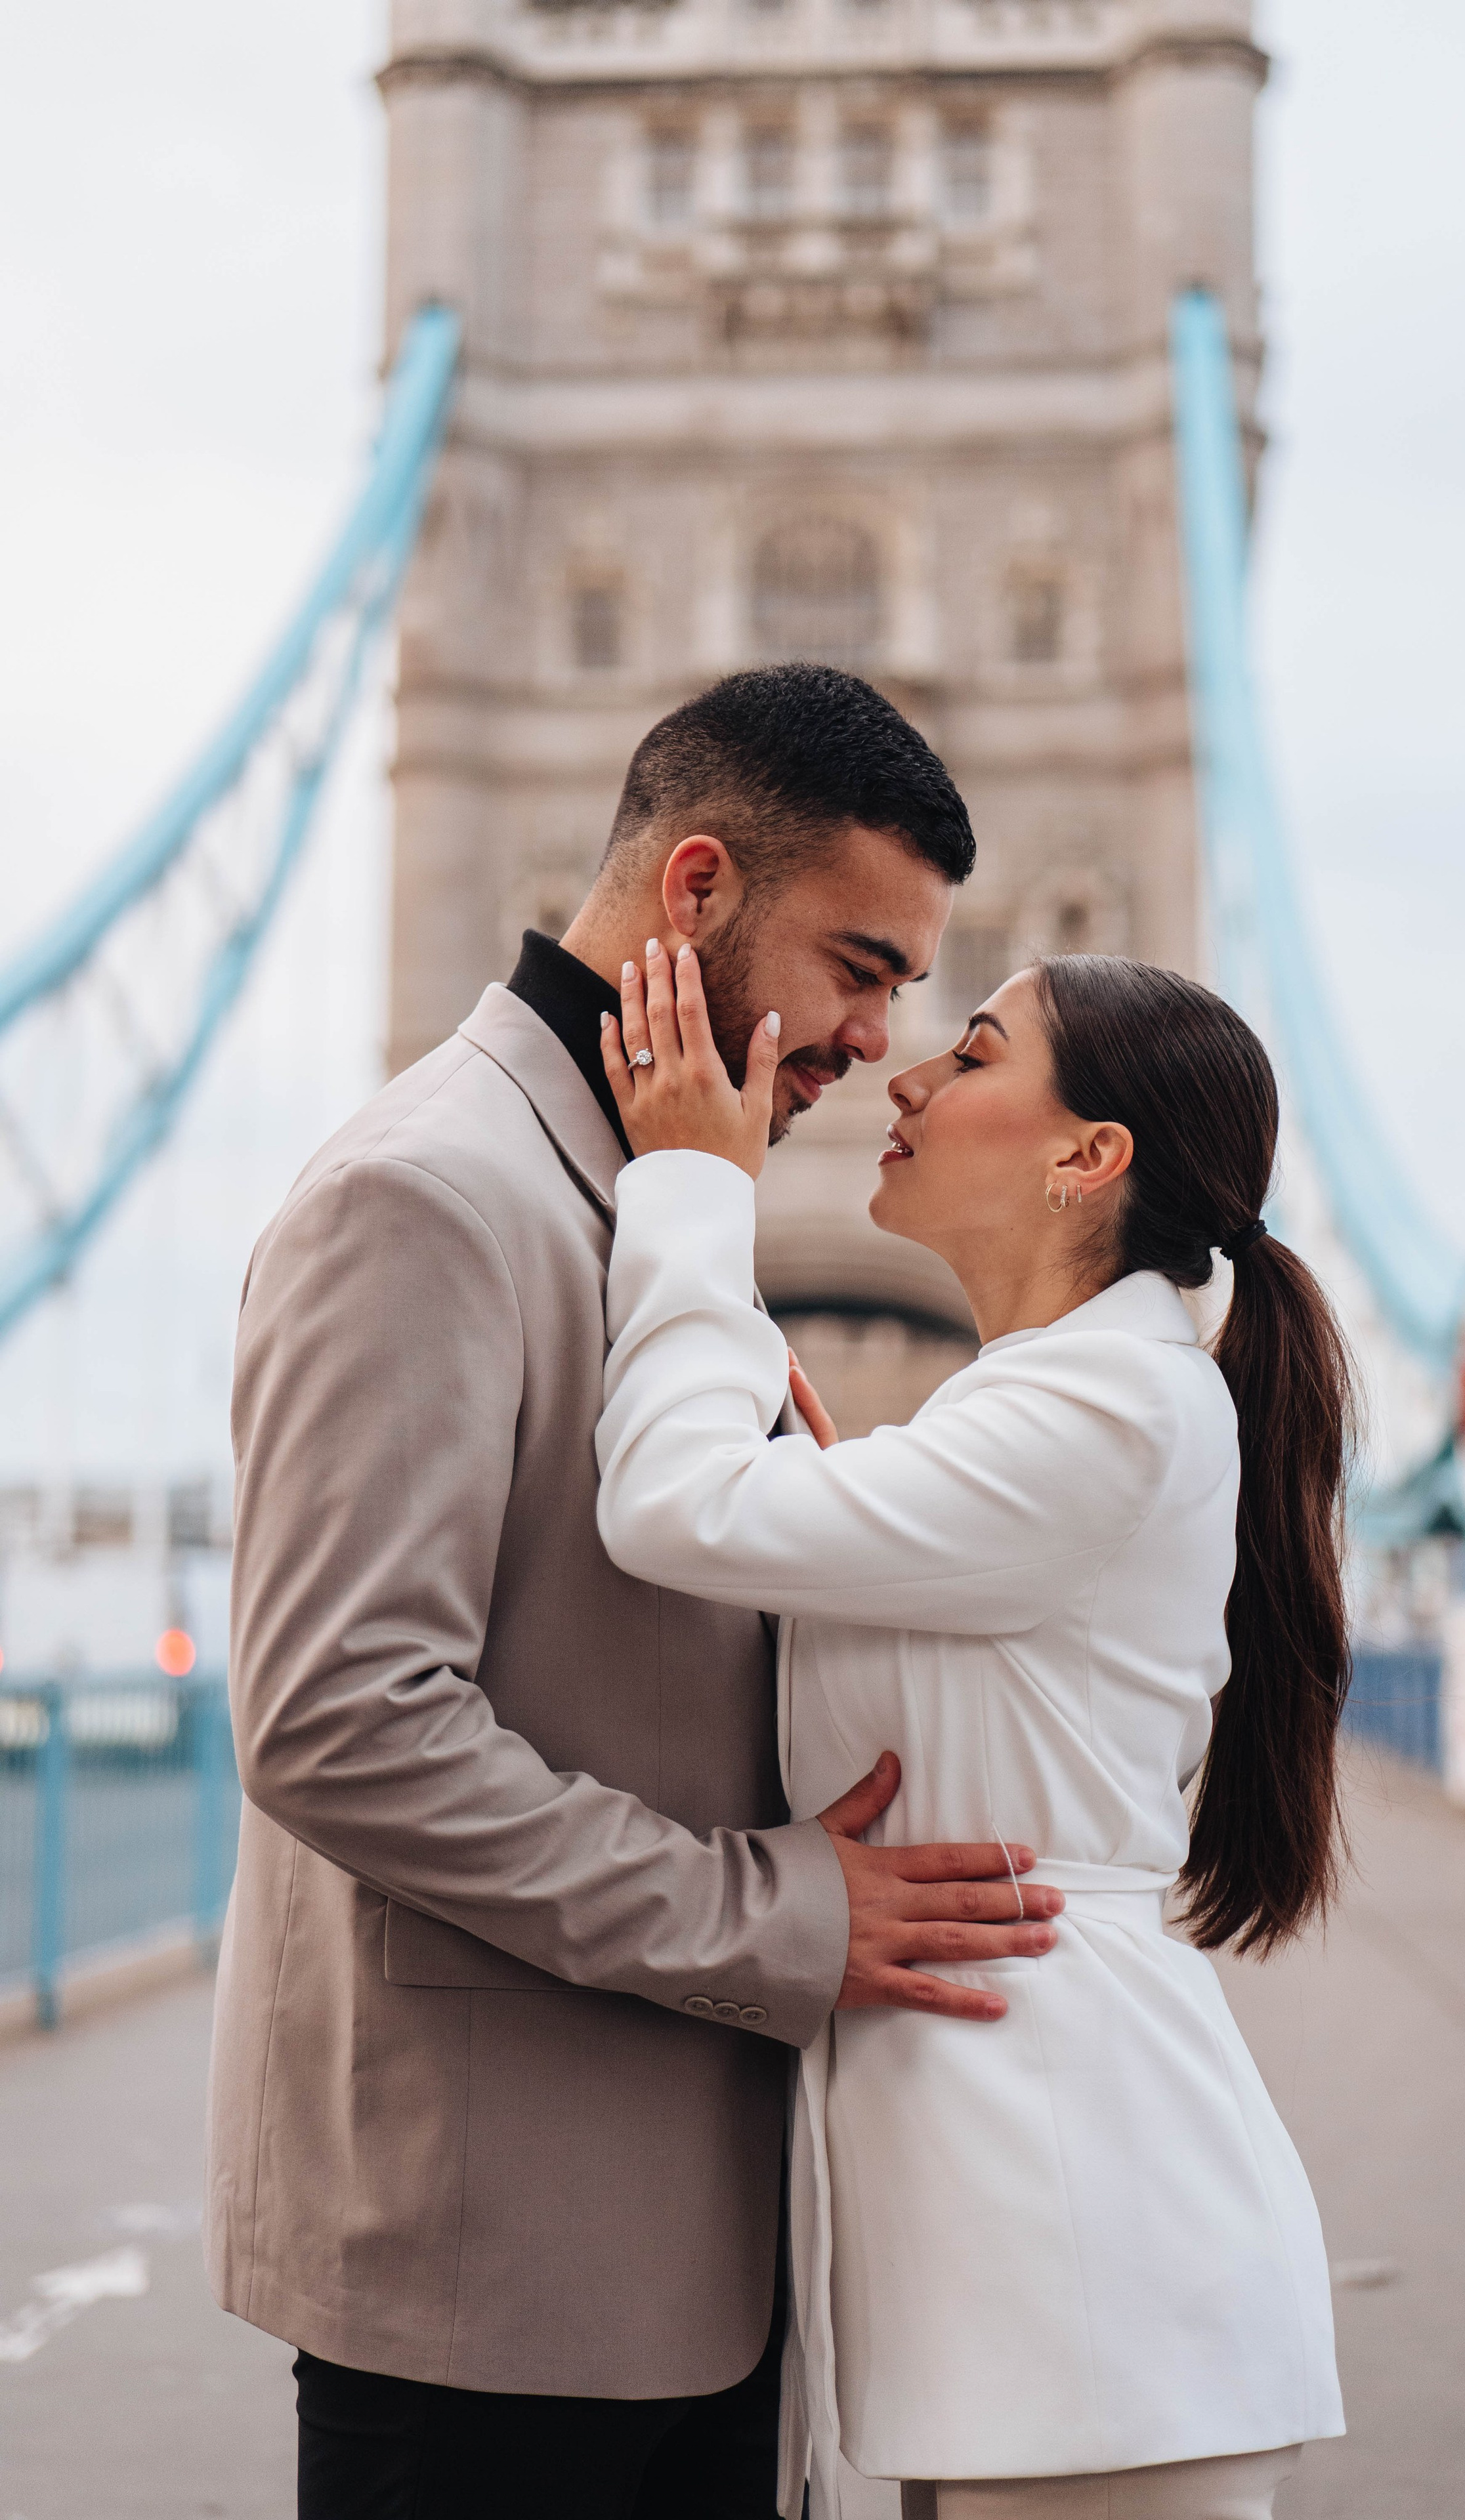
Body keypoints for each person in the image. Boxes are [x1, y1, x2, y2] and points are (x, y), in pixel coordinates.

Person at [206, 665, 1069, 2520]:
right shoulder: (429, 1195)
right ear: (695, 888)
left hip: (704, 2265)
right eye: (858, 966)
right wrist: (781, 1913)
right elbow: (339, 1724)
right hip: (488, 2280)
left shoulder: (668, 1189)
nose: (876, 1038)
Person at [594, 943, 1353, 2520]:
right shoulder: (1054, 1401)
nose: (908, 1069)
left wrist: (691, 1190)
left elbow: (668, 1507)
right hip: (1021, 2218)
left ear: (1087, 1157)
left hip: (1080, 2228)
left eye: (976, 1051)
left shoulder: (1107, 1409)